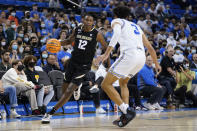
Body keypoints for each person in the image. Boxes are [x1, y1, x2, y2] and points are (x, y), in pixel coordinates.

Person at [96, 6, 161, 127]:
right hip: (141, 58)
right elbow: (151, 48)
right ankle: (125, 115)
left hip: (129, 55)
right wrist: (156, 64)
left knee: (105, 84)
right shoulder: (136, 26)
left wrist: (106, 54)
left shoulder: (116, 21)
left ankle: (127, 110)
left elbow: (116, 36)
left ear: (115, 14)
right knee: (123, 82)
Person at [41, 13, 107, 123]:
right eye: (86, 20)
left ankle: (50, 113)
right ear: (83, 20)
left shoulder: (97, 34)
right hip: (72, 62)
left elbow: (106, 47)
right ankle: (77, 87)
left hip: (84, 66)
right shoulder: (77, 29)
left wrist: (105, 60)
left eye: (90, 20)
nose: (88, 22)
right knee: (64, 90)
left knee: (68, 91)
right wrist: (57, 43)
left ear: (93, 22)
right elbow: (68, 41)